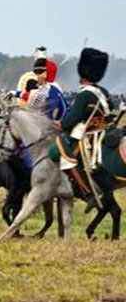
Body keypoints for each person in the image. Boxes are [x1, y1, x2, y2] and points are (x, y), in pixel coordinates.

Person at [53, 47, 114, 212]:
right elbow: (111, 112)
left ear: (83, 75)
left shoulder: (84, 95)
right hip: (104, 130)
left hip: (87, 135)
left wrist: (59, 124)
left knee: (63, 152)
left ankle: (88, 193)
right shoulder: (103, 92)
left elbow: (73, 118)